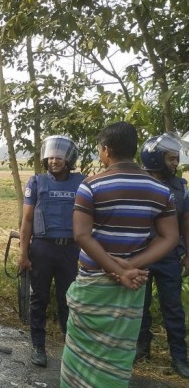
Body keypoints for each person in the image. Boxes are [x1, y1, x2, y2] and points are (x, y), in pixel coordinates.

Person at [60, 121, 179, 388]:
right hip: (131, 287)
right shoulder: (161, 191)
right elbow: (170, 237)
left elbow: (81, 235)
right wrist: (129, 268)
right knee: (117, 357)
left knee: (79, 357)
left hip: (94, 282)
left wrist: (118, 270)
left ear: (106, 150)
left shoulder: (91, 186)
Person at [18, 135, 86, 367]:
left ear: (69, 160)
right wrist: (23, 253)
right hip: (42, 249)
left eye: (59, 157)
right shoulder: (36, 183)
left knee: (69, 300)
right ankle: (39, 345)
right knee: (39, 299)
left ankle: (71, 346)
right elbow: (27, 221)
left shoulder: (81, 182)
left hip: (70, 251)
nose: (53, 161)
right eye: (50, 157)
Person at [135, 133, 189, 378]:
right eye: (171, 158)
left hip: (169, 258)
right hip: (141, 255)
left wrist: (188, 254)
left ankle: (179, 356)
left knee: (173, 308)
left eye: (176, 158)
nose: (175, 163)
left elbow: (186, 222)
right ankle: (141, 348)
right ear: (155, 158)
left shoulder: (181, 187)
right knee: (140, 307)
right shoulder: (137, 183)